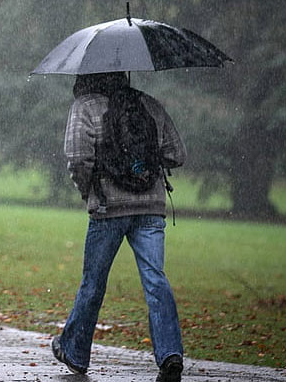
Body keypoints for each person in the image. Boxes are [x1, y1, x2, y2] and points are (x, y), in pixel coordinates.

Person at [51, 72, 186, 382]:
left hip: (107, 207)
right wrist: (143, 165)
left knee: (93, 282)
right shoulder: (149, 104)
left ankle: (74, 351)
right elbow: (177, 155)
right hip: (151, 208)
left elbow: (76, 157)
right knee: (155, 278)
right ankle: (170, 353)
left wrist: (90, 189)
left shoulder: (85, 107)